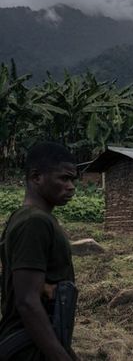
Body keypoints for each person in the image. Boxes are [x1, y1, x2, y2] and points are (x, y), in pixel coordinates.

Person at [0, 142, 78, 360]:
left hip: (39, 340)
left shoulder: (28, 218)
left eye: (72, 180)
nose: (71, 186)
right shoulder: (34, 222)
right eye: (64, 178)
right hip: (29, 348)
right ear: (36, 177)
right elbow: (27, 301)